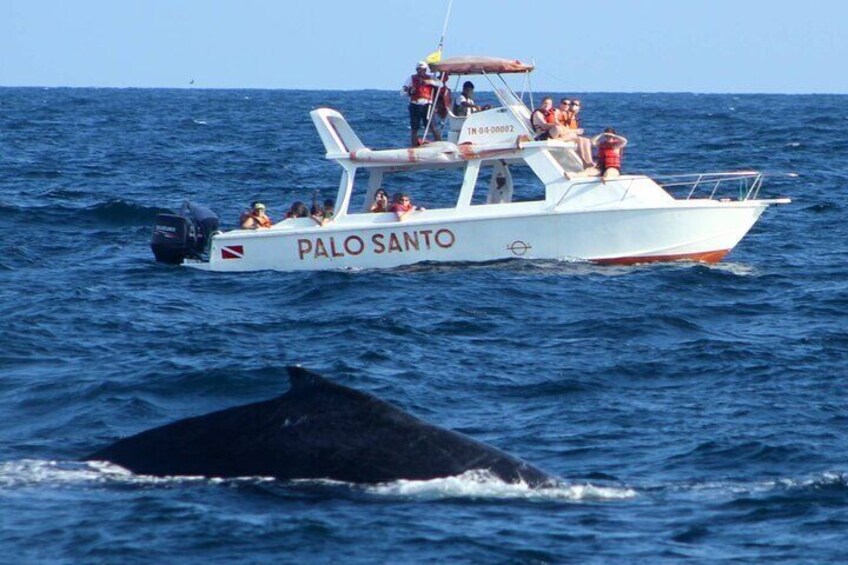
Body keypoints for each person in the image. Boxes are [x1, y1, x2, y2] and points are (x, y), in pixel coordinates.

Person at [402, 62, 443, 147]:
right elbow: (402, 92)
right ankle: (413, 147)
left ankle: (441, 145)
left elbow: (440, 84)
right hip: (415, 105)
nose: (421, 71)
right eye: (419, 70)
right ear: (417, 70)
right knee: (414, 128)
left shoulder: (431, 78)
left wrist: (430, 82)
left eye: (423, 70)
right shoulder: (411, 78)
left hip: (427, 105)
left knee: (432, 127)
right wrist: (409, 91)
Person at [558, 98, 595, 168]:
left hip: (571, 136)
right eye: (572, 104)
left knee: (586, 140)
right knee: (580, 139)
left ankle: (589, 161)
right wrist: (575, 131)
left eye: (576, 105)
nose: (573, 106)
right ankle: (584, 161)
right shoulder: (566, 114)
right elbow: (563, 128)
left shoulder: (573, 116)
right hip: (565, 136)